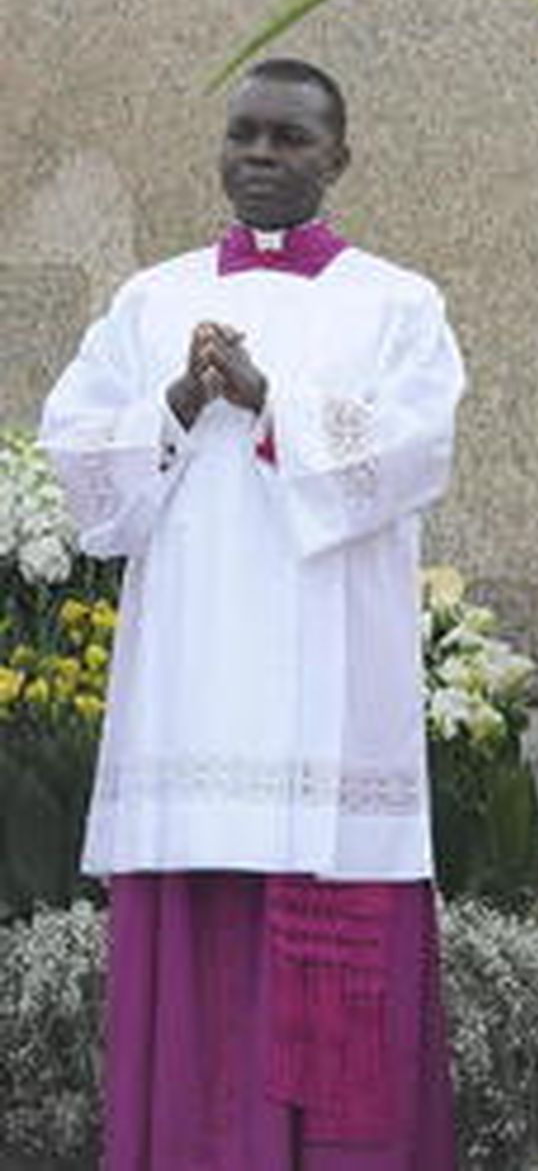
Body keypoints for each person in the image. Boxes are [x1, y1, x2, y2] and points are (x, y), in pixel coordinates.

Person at [40, 58, 465, 1171]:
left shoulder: (397, 301)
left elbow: (418, 448)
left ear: (339, 156)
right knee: (200, 969)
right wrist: (180, 398)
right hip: (189, 694)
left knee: (330, 947)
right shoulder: (151, 298)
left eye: (289, 138)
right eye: (244, 135)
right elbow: (81, 461)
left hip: (328, 701)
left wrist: (271, 400)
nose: (261, 157)